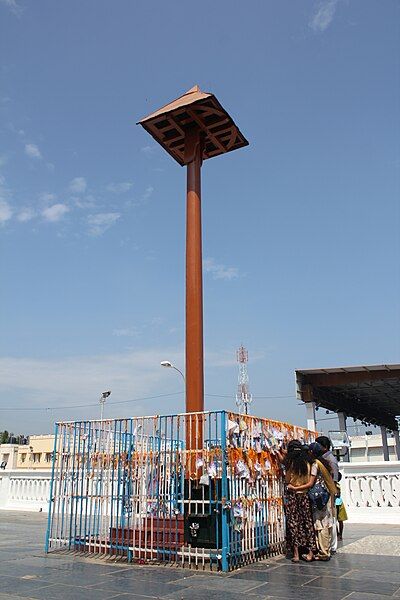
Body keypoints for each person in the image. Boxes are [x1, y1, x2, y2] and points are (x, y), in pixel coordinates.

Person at [288, 441, 337, 561]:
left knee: (315, 524)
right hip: (315, 496)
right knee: (311, 524)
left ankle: (320, 552)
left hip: (309, 497)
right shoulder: (322, 463)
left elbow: (308, 483)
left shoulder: (314, 464)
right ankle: (319, 550)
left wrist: (294, 487)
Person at [283, 440, 317, 563]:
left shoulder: (291, 464)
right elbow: (310, 483)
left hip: (293, 497)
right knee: (308, 523)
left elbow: (287, 480)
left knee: (293, 524)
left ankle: (296, 554)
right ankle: (310, 552)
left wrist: (294, 487)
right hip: (305, 497)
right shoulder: (310, 464)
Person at [315, 435, 339, 553]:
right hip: (326, 491)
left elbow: (334, 479)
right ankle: (328, 545)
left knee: (330, 519)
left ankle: (331, 545)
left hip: (328, 492)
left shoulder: (330, 460)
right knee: (328, 519)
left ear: (324, 447)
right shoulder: (325, 458)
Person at [336, 473, 348, 541]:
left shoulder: (337, 485)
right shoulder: (337, 485)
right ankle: (338, 534)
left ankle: (339, 534)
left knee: (339, 520)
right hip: (338, 503)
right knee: (338, 521)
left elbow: (337, 493)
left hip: (338, 504)